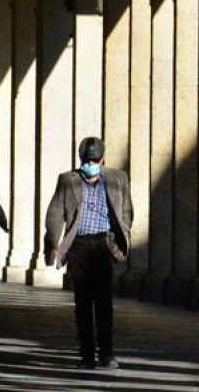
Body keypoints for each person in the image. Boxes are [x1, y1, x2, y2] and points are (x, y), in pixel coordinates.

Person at [43, 137, 134, 369]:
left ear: (103, 159)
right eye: (86, 160)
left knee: (104, 303)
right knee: (82, 303)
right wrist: (53, 243)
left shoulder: (118, 178)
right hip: (79, 247)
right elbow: (55, 213)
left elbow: (126, 211)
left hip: (103, 246)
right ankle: (86, 356)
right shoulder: (68, 180)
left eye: (95, 160)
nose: (90, 164)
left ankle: (107, 354)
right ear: (80, 159)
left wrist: (118, 242)